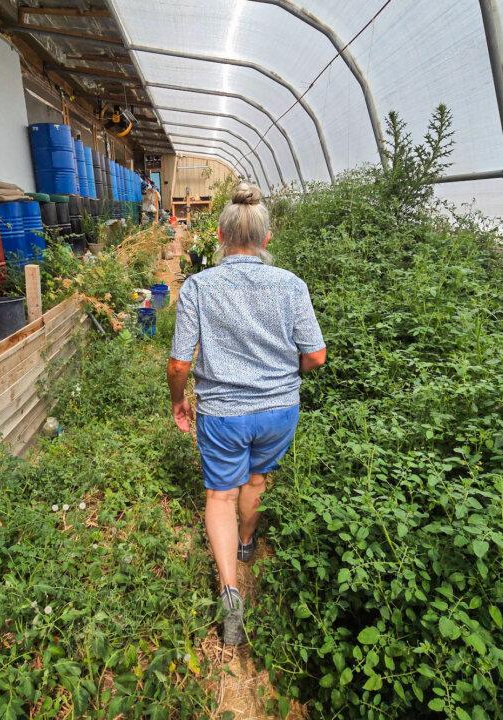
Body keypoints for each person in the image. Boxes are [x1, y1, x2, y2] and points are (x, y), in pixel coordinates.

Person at [166, 182, 326, 645]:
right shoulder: (290, 285)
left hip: (222, 412)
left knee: (220, 497)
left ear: (219, 235)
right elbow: (316, 357)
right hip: (279, 409)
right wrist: (278, 372)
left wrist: (179, 399)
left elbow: (180, 362)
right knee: (256, 480)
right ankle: (247, 543)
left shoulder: (200, 286)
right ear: (267, 238)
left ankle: (230, 589)